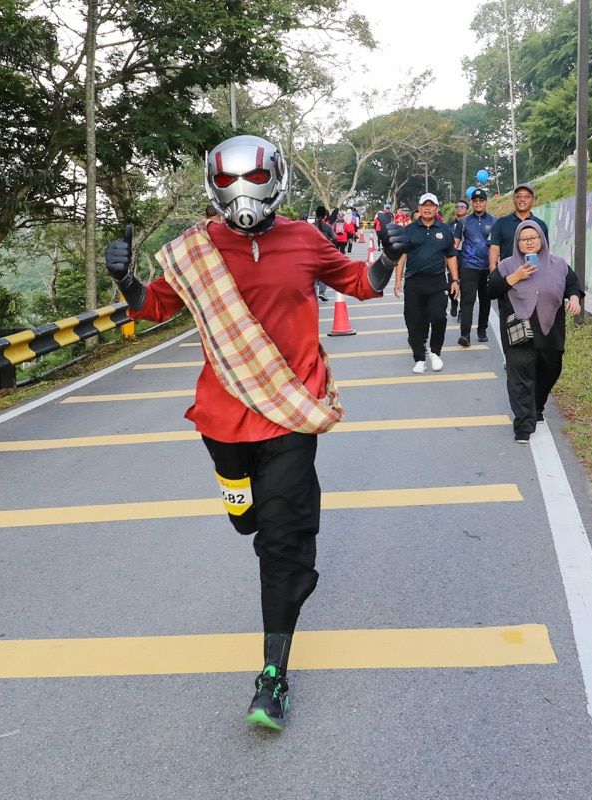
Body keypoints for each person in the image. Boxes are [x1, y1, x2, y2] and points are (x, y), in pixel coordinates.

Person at [105, 134, 407, 731]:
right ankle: (234, 488)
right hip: (223, 413)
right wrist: (126, 282)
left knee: (282, 537)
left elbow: (361, 285)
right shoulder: (197, 249)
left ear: (275, 178)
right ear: (213, 186)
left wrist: (389, 257)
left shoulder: (304, 238)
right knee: (245, 515)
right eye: (227, 181)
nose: (240, 193)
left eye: (251, 178)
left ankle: (272, 675)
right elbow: (155, 307)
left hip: (291, 410)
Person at [488, 219, 583, 443]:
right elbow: (491, 289)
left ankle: (537, 405)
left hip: (551, 328)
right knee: (520, 374)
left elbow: (573, 285)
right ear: (517, 242)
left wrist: (575, 298)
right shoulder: (507, 265)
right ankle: (523, 424)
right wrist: (516, 277)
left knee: (550, 369)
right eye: (523, 239)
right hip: (519, 328)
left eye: (533, 238)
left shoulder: (558, 264)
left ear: (542, 239)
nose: (529, 242)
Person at [393, 193, 459, 374]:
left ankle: (436, 352)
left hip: (437, 281)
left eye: (432, 205)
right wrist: (398, 280)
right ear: (419, 208)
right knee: (414, 320)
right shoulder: (410, 230)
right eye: (424, 205)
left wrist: (455, 280)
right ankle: (419, 357)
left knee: (439, 317)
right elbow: (402, 256)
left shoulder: (445, 230)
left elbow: (451, 255)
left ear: (437, 208)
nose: (428, 208)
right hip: (414, 282)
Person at [453, 188, 497, 346]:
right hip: (468, 266)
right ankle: (465, 334)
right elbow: (455, 244)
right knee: (467, 300)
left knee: (485, 301)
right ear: (471, 202)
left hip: (488, 267)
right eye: (475, 201)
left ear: (486, 202)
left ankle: (482, 330)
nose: (478, 203)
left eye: (481, 200)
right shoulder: (463, 222)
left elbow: (498, 246)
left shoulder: (494, 221)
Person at [488, 182, 550, 273]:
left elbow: (545, 251)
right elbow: (494, 248)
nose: (522, 200)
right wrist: (492, 270)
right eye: (519, 196)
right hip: (508, 273)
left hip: (534, 272)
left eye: (527, 197)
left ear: (533, 200)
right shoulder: (501, 223)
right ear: (514, 200)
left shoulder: (540, 225)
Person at [448, 200, 469, 318]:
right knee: (450, 282)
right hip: (453, 257)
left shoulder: (470, 223)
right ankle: (454, 301)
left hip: (466, 257)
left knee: (466, 286)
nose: (460, 208)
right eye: (458, 206)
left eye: (463, 207)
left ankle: (462, 311)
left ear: (467, 210)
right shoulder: (449, 225)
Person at [312, 206, 335, 300]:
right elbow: (335, 238)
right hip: (324, 253)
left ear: (316, 215)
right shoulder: (328, 227)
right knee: (323, 273)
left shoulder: (311, 226)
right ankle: (322, 292)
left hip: (312, 253)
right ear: (325, 216)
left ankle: (313, 293)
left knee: (313, 274)